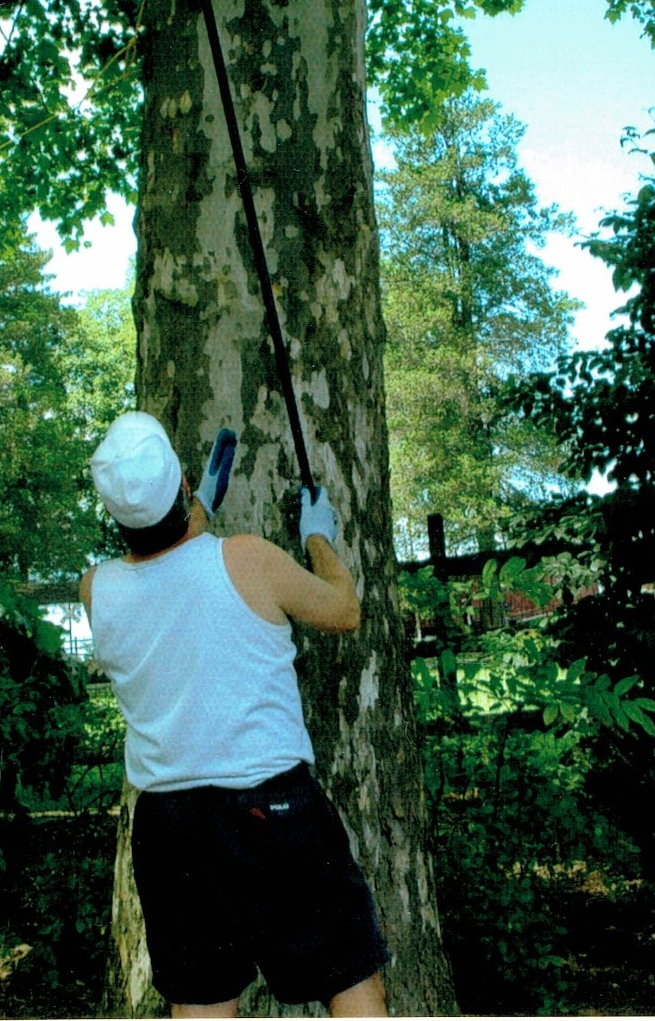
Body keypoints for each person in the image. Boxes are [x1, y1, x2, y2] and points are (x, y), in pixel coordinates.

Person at [79, 410, 390, 1018]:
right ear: (182, 483)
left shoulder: (97, 590)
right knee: (350, 981)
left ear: (114, 513)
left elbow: (168, 570)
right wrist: (318, 537)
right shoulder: (249, 558)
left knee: (203, 1003)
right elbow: (344, 609)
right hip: (270, 808)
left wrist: (197, 511)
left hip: (171, 828)